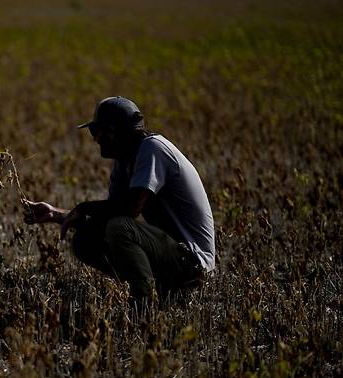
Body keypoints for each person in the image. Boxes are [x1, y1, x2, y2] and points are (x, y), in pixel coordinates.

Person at [23, 96, 216, 307]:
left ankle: (144, 305)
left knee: (119, 228)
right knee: (86, 238)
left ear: (115, 132)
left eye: (96, 130)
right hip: (170, 253)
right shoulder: (124, 161)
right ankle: (159, 289)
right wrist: (55, 214)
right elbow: (109, 214)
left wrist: (83, 208)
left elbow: (130, 209)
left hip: (193, 263)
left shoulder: (153, 149)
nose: (95, 138)